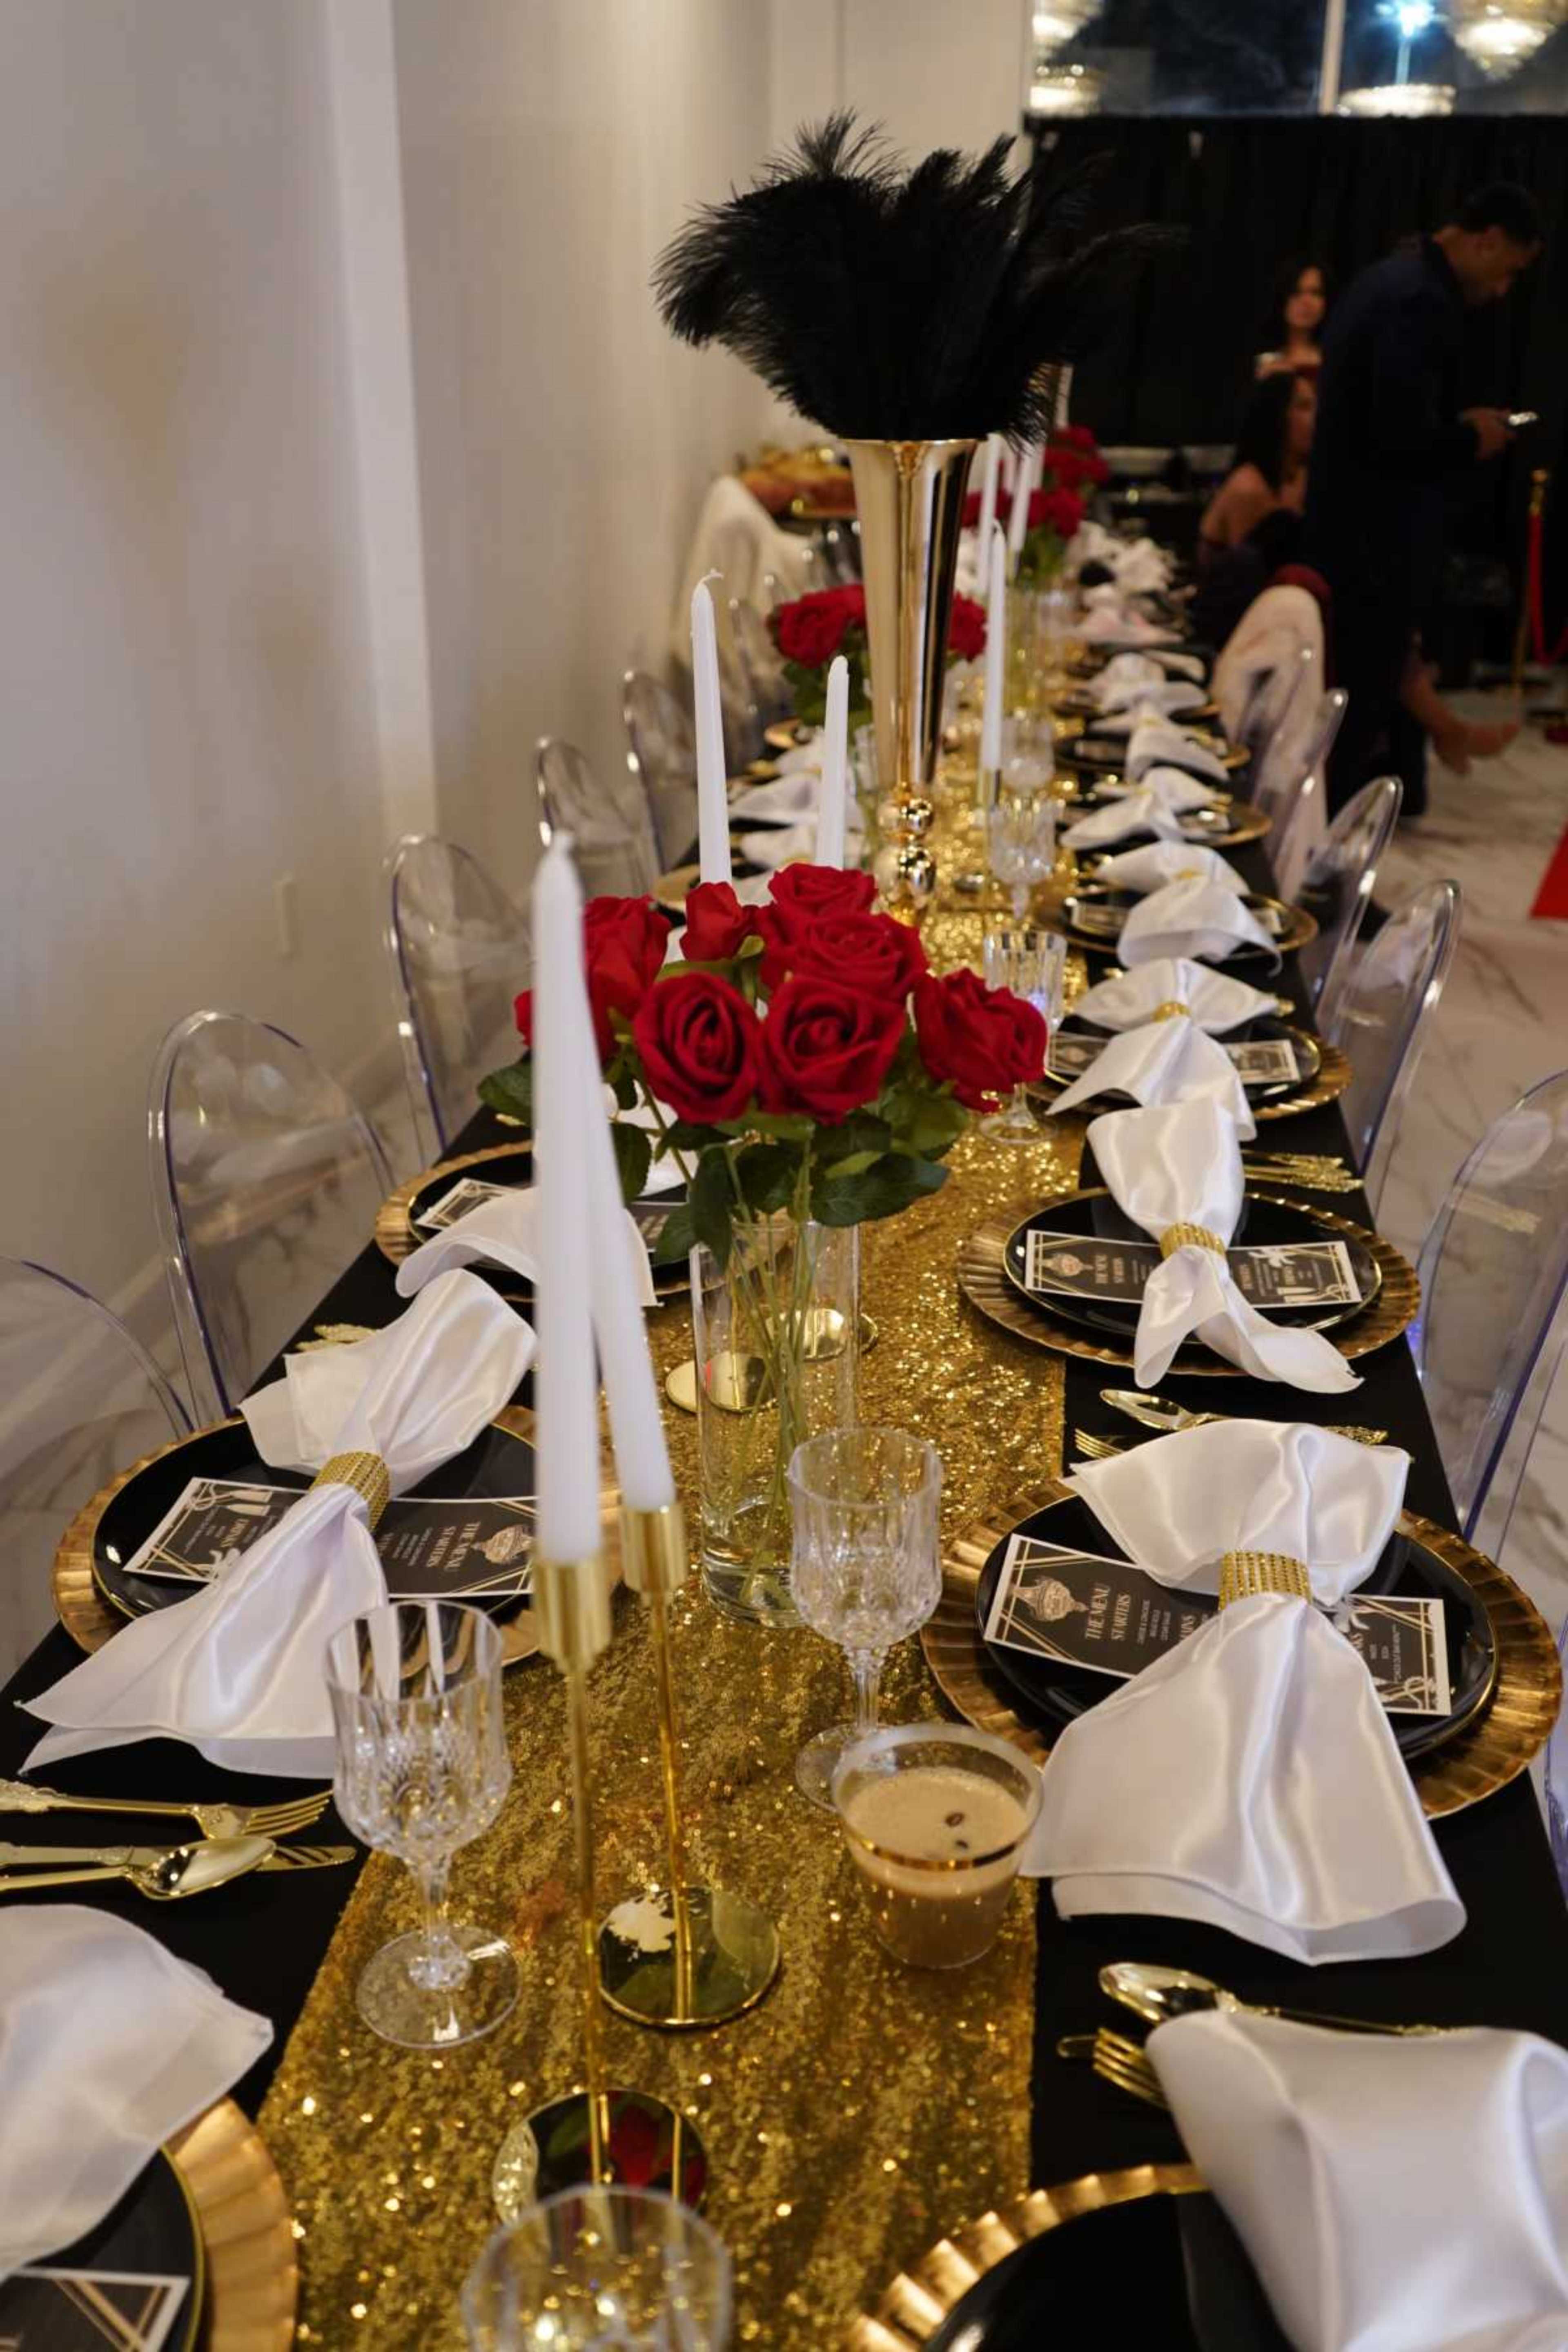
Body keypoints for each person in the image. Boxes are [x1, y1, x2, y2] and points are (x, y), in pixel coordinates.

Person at [1305, 182, 1541, 816]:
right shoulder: (1418, 301)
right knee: (1354, 715)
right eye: (1509, 270)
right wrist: (1472, 436)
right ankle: (1318, 877)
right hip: (1373, 537)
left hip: (1349, 527)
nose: (1503, 290)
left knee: (1357, 701)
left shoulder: (1391, 279)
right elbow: (1398, 435)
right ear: (1488, 241)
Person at [1192, 374, 1314, 646]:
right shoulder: (1249, 486)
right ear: (1278, 417)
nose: (1315, 419)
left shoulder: (1300, 480)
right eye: (1304, 407)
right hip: (1231, 635)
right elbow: (1249, 587)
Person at [1255, 259, 1330, 379]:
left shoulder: (1337, 360)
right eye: (1296, 293)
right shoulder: (1263, 361)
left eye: (1316, 293)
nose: (1307, 302)